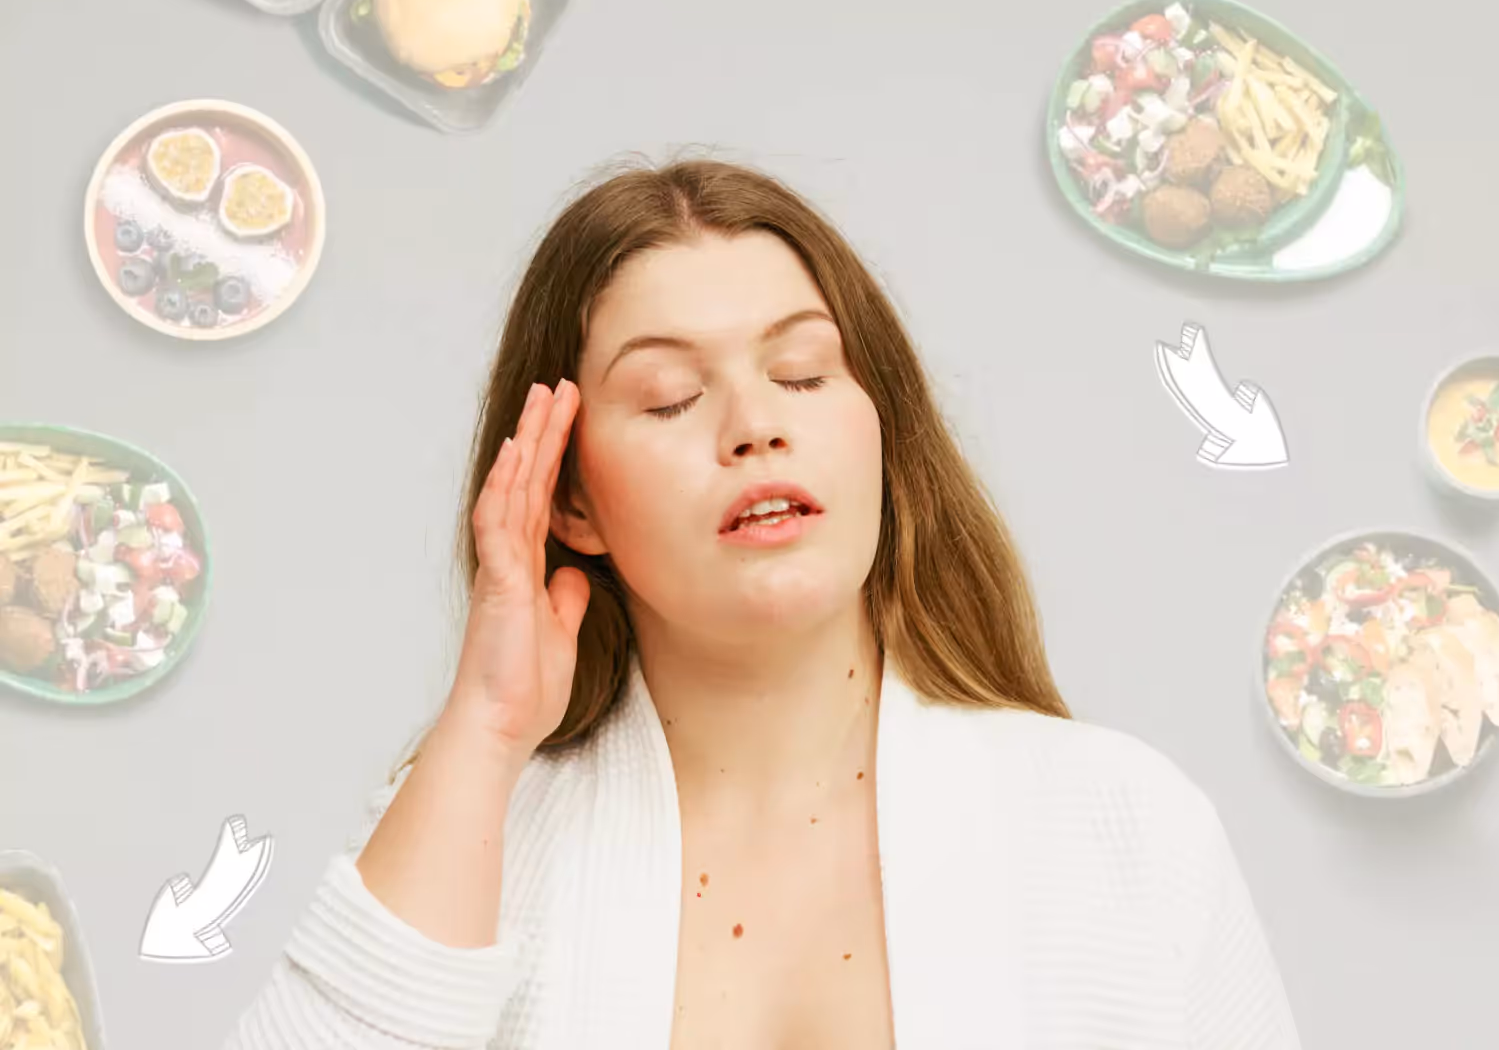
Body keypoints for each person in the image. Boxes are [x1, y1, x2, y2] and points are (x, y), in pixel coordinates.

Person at [224, 158, 1300, 1049]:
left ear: (882, 429)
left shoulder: (1120, 825)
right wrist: (486, 731)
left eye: (802, 372)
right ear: (573, 498)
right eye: (670, 397)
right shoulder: (477, 831)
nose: (753, 425)